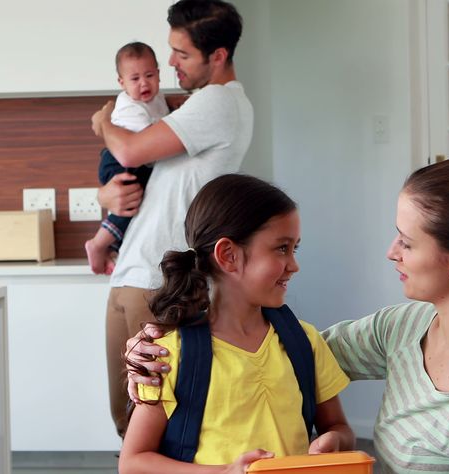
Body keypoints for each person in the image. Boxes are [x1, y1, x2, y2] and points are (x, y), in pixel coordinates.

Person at [127, 157, 449, 473]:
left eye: (407, 242)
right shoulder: (405, 328)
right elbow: (272, 356)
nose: (392, 251)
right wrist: (154, 347)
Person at [91, 0, 254, 438]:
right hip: (132, 275)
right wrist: (106, 194)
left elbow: (126, 149)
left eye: (182, 54)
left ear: (217, 56)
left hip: (160, 284)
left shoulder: (219, 102)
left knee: (156, 425)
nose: (171, 63)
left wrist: (103, 122)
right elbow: (140, 177)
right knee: (127, 421)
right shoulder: (192, 108)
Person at [119, 174, 355, 474]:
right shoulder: (167, 357)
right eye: (282, 248)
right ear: (228, 255)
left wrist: (334, 440)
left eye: (295, 249)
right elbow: (133, 462)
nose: (294, 265)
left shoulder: (304, 341)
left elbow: (338, 426)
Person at [84, 41, 169, 275]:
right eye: (134, 79)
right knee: (128, 204)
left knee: (134, 206)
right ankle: (98, 243)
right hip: (118, 160)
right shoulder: (128, 107)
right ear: (121, 83)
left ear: (159, 75)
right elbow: (145, 143)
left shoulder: (157, 99)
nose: (144, 83)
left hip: (134, 161)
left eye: (149, 75)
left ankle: (113, 248)